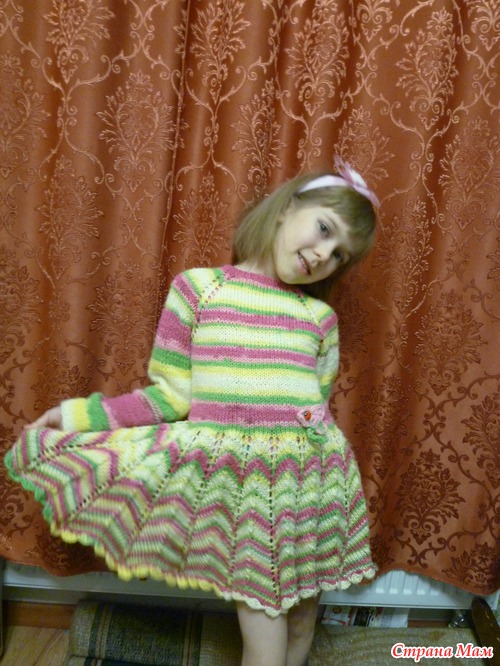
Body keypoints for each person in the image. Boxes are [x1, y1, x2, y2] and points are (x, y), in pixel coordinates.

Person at [5, 157, 379, 666]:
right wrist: (78, 418)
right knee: (263, 620)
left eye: (339, 255)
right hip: (245, 485)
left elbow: (316, 405)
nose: (322, 254)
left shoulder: (319, 318)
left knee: (302, 619)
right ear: (287, 208)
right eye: (324, 229)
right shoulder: (200, 289)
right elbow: (170, 396)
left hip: (313, 481)